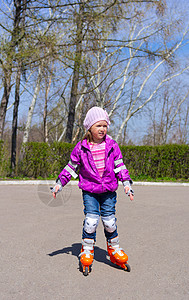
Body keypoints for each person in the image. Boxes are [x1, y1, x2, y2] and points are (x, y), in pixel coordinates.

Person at [51, 106, 134, 274]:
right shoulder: (81, 147)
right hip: (90, 191)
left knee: (110, 222)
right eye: (98, 126)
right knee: (91, 221)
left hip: (108, 190)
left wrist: (126, 183)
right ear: (89, 127)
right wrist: (60, 183)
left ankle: (114, 249)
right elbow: (71, 167)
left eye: (105, 125)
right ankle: (87, 249)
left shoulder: (112, 145)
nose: (102, 129)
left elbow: (120, 166)